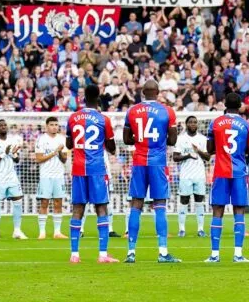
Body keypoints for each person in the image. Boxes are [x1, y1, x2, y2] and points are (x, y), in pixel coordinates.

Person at [123, 80, 179, 263]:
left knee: (136, 204)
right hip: (157, 162)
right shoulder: (167, 111)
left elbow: (126, 139)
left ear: (142, 92)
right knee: (160, 205)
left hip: (139, 161)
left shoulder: (131, 111)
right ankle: (163, 252)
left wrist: (139, 139)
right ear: (158, 92)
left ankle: (131, 252)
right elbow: (172, 141)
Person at [67, 85, 117, 264]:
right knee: (101, 208)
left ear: (83, 98)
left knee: (77, 209)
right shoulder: (103, 119)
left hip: (79, 168)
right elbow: (111, 149)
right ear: (98, 99)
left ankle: (75, 254)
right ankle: (103, 255)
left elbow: (69, 144)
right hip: (96, 168)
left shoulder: (73, 118)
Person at [205, 91, 249, 263]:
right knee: (239, 211)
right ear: (240, 106)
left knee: (217, 210)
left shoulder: (216, 123)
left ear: (225, 105)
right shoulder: (247, 125)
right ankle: (238, 254)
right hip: (239, 172)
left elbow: (210, 149)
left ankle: (214, 255)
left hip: (220, 171)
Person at [0, 118, 26, 241]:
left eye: (5, 125)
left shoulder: (12, 141)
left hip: (12, 177)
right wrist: (4, 153)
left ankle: (17, 231)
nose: (3, 127)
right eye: (1, 125)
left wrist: (13, 154)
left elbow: (17, 160)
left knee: (18, 202)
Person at [173, 116, 209, 238]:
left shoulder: (203, 139)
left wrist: (198, 151)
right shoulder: (181, 139)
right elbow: (175, 157)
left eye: (195, 122)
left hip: (199, 174)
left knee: (199, 201)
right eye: (191, 122)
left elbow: (208, 157)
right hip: (185, 175)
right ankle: (182, 229)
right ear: (186, 124)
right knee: (184, 201)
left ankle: (200, 229)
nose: (193, 124)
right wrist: (188, 155)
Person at [33, 117, 68, 241]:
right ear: (47, 126)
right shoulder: (41, 139)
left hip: (59, 175)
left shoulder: (62, 139)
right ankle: (42, 232)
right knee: (44, 203)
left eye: (56, 125)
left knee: (58, 203)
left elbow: (64, 159)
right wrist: (54, 152)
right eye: (52, 124)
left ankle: (57, 232)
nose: (54, 127)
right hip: (46, 176)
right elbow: (38, 159)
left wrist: (59, 153)